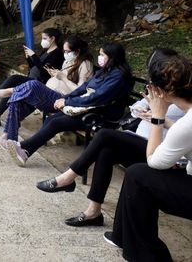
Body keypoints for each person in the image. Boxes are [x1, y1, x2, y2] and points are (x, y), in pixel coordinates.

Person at [37, 48, 184, 227]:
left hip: (157, 149)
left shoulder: (179, 96)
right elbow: (139, 105)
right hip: (137, 138)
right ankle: (93, 211)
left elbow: (183, 131)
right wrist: (143, 111)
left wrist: (160, 118)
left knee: (106, 135)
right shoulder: (160, 87)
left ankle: (68, 177)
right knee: (106, 150)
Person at [104, 54, 192, 262]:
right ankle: (133, 244)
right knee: (139, 174)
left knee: (138, 175)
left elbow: (153, 160)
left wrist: (158, 116)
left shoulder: (187, 122)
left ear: (161, 91)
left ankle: (148, 256)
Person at [5, 42, 133, 167]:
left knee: (56, 123)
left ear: (112, 57)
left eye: (102, 55)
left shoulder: (118, 76)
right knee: (52, 119)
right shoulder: (105, 70)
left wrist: (67, 102)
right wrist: (65, 98)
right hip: (89, 109)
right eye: (99, 54)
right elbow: (83, 88)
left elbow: (96, 98)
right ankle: (25, 152)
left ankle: (22, 147)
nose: (99, 58)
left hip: (101, 116)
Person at [0, 36, 94, 147]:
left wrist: (63, 78)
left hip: (63, 100)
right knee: (17, 101)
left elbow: (81, 91)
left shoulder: (85, 65)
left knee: (33, 84)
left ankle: (9, 92)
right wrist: (55, 75)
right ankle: (7, 138)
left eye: (67, 51)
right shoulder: (69, 61)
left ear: (77, 51)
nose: (65, 54)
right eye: (64, 51)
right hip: (52, 95)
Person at [0, 28, 64, 126]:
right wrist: (29, 58)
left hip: (41, 84)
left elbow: (46, 73)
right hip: (33, 79)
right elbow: (34, 67)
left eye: (44, 38)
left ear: (52, 38)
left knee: (14, 79)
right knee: (11, 91)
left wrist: (34, 57)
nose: (42, 41)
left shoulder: (57, 54)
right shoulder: (46, 51)